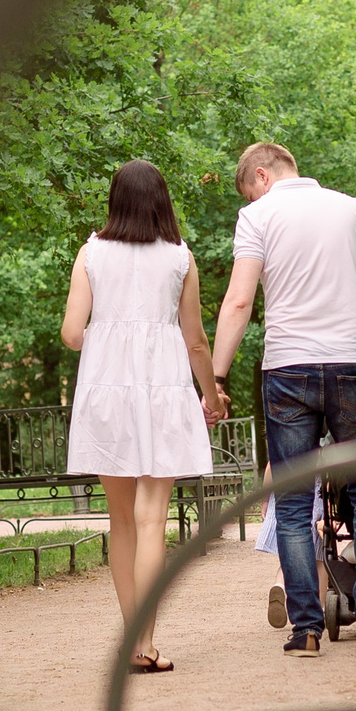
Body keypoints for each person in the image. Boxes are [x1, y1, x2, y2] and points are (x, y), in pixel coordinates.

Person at [209, 141, 356, 656]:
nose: (250, 197)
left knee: (294, 504)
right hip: (351, 365)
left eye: (248, 188)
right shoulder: (351, 208)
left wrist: (215, 377)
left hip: (288, 371)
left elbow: (238, 300)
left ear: (261, 174)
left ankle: (306, 632)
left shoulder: (256, 217)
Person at [62, 159, 227, 673]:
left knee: (121, 522)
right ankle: (146, 644)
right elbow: (196, 340)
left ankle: (131, 640)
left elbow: (71, 333)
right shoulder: (180, 258)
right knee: (152, 518)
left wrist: (110, 344)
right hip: (161, 391)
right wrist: (213, 396)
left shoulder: (90, 254)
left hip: (107, 393)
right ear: (162, 201)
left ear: (115, 200)